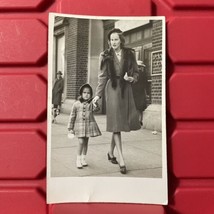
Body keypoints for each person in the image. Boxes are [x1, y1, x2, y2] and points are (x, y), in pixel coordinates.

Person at [93, 28, 141, 174]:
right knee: (116, 123)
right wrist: (97, 95)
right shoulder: (105, 55)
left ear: (121, 40)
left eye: (116, 39)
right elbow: (102, 77)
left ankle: (110, 153)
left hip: (125, 89)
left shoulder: (129, 54)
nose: (113, 42)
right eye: (111, 40)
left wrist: (132, 78)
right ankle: (121, 159)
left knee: (118, 124)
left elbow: (136, 72)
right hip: (112, 89)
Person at [68, 83, 101, 169]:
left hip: (88, 126)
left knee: (86, 143)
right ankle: (78, 159)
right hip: (79, 127)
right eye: (84, 92)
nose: (86, 95)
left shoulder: (91, 104)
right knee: (81, 142)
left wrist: (95, 103)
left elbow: (97, 109)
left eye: (88, 93)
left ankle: (83, 158)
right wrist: (70, 128)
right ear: (81, 93)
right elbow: (72, 116)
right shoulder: (76, 104)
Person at [132, 60, 149, 126]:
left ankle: (137, 120)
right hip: (140, 92)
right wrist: (147, 92)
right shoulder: (143, 74)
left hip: (135, 92)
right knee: (140, 107)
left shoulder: (134, 74)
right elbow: (146, 84)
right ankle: (140, 120)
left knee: (136, 106)